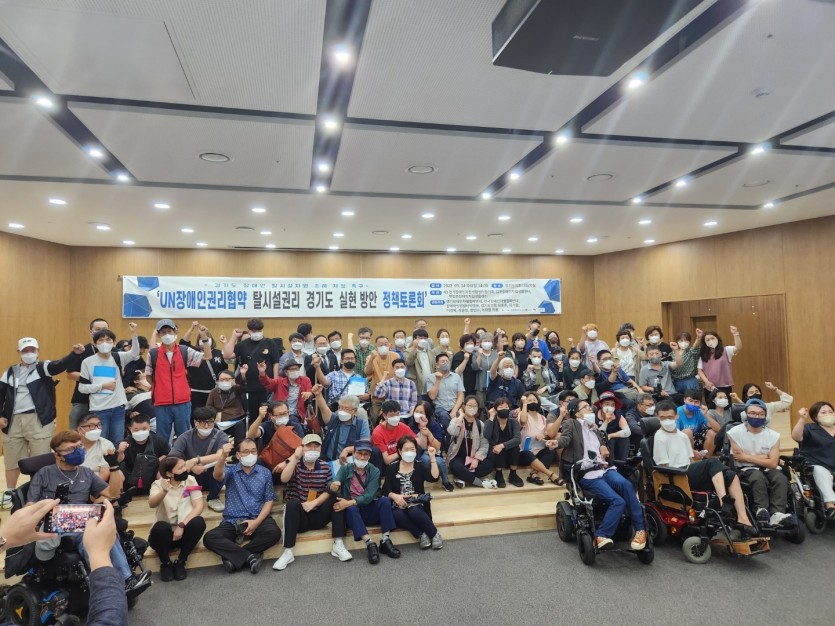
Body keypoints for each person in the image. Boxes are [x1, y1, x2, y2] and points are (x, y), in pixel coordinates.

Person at [26, 430, 150, 591]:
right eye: (71, 449)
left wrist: (113, 466)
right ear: (57, 455)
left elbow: (113, 493)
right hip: (54, 523)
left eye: (79, 447)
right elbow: (29, 507)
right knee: (92, 530)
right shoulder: (44, 473)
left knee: (104, 528)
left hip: (81, 520)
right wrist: (48, 507)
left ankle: (120, 580)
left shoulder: (86, 473)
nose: (77, 451)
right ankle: (120, 580)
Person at [553, 399, 646, 550]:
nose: (591, 408)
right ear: (577, 413)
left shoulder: (594, 427)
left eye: (590, 406)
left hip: (604, 469)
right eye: (586, 407)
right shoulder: (572, 424)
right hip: (587, 473)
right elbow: (566, 438)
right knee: (618, 501)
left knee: (626, 485)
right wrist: (556, 443)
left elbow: (601, 439)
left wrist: (603, 445)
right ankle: (602, 534)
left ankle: (640, 530)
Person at [652, 400, 755, 534]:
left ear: (677, 416)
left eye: (670, 417)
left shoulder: (683, 436)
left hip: (688, 472)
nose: (667, 420)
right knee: (711, 462)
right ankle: (723, 502)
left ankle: (743, 519)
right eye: (663, 418)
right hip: (676, 477)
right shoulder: (659, 437)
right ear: (657, 417)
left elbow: (691, 460)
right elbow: (662, 468)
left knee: (730, 475)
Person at [1, 337, 84, 489]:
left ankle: (39, 490)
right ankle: (10, 492)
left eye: (32, 350)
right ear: (19, 352)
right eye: (25, 350)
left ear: (38, 351)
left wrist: (74, 354)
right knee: (12, 459)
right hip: (13, 421)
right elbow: (1, 394)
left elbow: (59, 365)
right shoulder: (10, 372)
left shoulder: (43, 367)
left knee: (40, 459)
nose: (29, 353)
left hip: (39, 420)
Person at [203, 439, 282, 574]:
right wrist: (222, 456)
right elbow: (217, 475)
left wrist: (256, 522)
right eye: (246, 451)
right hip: (233, 520)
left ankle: (234, 558)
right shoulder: (231, 471)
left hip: (257, 518)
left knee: (274, 533)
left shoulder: (265, 473)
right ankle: (250, 557)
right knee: (210, 538)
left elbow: (269, 500)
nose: (250, 454)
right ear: (238, 455)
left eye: (253, 451)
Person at [274, 434, 351, 570]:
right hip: (300, 518)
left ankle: (338, 543)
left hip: (318, 514)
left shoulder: (325, 467)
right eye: (309, 446)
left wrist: (314, 503)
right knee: (291, 504)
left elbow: (329, 490)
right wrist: (295, 457)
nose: (313, 449)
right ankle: (288, 551)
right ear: (302, 448)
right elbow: (284, 479)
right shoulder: (296, 465)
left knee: (336, 496)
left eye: (316, 446)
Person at [328, 439, 401, 564]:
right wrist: (334, 485)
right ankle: (370, 543)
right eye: (359, 453)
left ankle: (385, 540)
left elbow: (369, 496)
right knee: (351, 508)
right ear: (354, 453)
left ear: (370, 455)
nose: (362, 457)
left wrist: (349, 502)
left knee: (384, 501)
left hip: (368, 507)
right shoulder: (345, 468)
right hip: (353, 513)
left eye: (366, 454)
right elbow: (334, 482)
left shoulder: (375, 471)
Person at [726, 398, 792, 527]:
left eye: (761, 414)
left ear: (765, 416)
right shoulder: (734, 432)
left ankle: (777, 513)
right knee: (757, 476)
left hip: (769, 469)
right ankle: (761, 510)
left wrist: (747, 456)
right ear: (745, 415)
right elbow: (738, 457)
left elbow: (773, 463)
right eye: (753, 413)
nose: (757, 416)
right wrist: (765, 457)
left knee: (780, 478)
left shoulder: (773, 435)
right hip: (746, 469)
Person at [146, 319, 212, 443]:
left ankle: (184, 456)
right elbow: (148, 376)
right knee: (162, 438)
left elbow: (207, 356)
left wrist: (204, 337)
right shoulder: (153, 354)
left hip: (182, 402)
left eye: (169, 331)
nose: (167, 335)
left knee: (184, 436)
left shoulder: (184, 350)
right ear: (159, 335)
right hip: (161, 403)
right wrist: (161, 388)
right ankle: (164, 456)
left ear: (175, 332)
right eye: (163, 332)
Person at [78, 323, 140, 444]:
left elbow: (135, 353)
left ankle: (116, 458)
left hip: (118, 408)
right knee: (100, 442)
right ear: (95, 344)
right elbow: (82, 388)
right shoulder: (87, 362)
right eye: (101, 340)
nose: (104, 343)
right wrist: (102, 386)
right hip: (99, 409)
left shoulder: (118, 357)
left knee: (117, 442)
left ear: (114, 343)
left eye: (108, 340)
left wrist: (134, 334)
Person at [147, 456, 207, 581]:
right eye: (180, 468)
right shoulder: (158, 484)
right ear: (169, 473)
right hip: (164, 537)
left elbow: (198, 507)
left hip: (184, 532)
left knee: (198, 522)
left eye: (184, 465)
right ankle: (165, 563)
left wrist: (182, 525)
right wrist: (164, 491)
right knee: (160, 528)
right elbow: (151, 504)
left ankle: (181, 561)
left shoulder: (191, 481)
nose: (185, 469)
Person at [383, 435, 443, 549]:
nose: (409, 452)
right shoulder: (391, 468)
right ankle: (421, 534)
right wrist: (395, 497)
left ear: (416, 450)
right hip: (400, 503)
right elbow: (385, 490)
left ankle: (434, 534)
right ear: (400, 451)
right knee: (396, 514)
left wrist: (432, 458)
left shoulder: (420, 465)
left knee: (413, 510)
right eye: (406, 449)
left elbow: (434, 478)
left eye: (412, 449)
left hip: (417, 503)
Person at [169, 406, 230, 512]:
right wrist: (192, 467)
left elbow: (220, 455)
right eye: (202, 422)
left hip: (210, 471)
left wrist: (196, 460)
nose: (206, 426)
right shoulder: (185, 437)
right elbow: (172, 456)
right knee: (177, 469)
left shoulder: (221, 435)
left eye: (210, 422)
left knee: (219, 467)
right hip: (192, 473)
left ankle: (213, 497)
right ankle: (187, 495)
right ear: (195, 422)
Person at [223, 319, 280, 420]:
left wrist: (275, 381)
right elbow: (227, 355)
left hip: (266, 386)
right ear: (249, 331)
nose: (257, 333)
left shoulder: (270, 342)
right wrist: (234, 336)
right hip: (249, 387)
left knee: (268, 415)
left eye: (259, 331)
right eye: (254, 331)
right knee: (252, 416)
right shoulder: (243, 344)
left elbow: (276, 362)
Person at [792, 402, 835, 519]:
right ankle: (830, 506)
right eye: (823, 412)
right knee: (821, 472)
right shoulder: (810, 428)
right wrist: (802, 419)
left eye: (831, 412)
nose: (828, 414)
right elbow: (796, 437)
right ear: (815, 417)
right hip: (817, 463)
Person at [66, 318, 110, 430]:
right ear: (91, 332)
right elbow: (70, 374)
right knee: (76, 430)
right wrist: (92, 377)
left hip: (106, 400)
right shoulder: (82, 351)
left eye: (105, 329)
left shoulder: (114, 352)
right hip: (83, 399)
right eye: (98, 329)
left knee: (102, 432)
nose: (101, 332)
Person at [446, 396, 496, 489]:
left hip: (473, 457)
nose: (472, 408)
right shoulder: (457, 420)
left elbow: (484, 444)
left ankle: (462, 477)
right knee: (455, 466)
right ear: (464, 406)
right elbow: (452, 431)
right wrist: (460, 416)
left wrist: (476, 459)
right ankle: (480, 483)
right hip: (458, 457)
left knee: (488, 465)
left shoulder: (480, 424)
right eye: (469, 405)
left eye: (474, 406)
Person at [117, 413, 170, 494]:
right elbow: (118, 461)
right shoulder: (126, 442)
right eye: (136, 430)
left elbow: (168, 454)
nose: (140, 432)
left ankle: (163, 494)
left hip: (152, 474)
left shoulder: (158, 440)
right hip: (131, 475)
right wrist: (120, 451)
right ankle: (118, 496)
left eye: (144, 429)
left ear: (149, 427)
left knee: (162, 471)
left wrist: (157, 460)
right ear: (130, 429)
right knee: (117, 472)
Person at [314, 390, 372, 464]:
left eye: (346, 409)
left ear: (355, 411)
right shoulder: (334, 419)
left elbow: (365, 444)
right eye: (341, 408)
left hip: (349, 462)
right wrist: (318, 394)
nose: (342, 411)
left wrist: (347, 450)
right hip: (328, 460)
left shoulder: (361, 424)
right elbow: (323, 408)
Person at [181, 322, 228, 409]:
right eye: (201, 337)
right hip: (196, 392)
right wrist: (192, 328)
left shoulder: (218, 353)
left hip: (214, 392)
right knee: (196, 414)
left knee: (213, 415)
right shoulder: (193, 352)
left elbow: (224, 370)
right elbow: (183, 343)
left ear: (211, 339)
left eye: (207, 337)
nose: (204, 338)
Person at [518, 392, 561, 484]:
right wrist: (524, 404)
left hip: (539, 450)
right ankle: (550, 474)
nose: (533, 402)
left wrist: (544, 436)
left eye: (534, 400)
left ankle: (534, 474)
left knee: (551, 450)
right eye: (529, 400)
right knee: (526, 453)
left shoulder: (542, 418)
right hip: (525, 453)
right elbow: (523, 420)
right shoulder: (522, 414)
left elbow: (548, 434)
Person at [410, 400, 453, 491]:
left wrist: (429, 434)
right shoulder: (411, 426)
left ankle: (446, 482)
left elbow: (437, 447)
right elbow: (422, 446)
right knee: (425, 460)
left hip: (434, 452)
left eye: (421, 412)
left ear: (427, 414)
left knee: (440, 462)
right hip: (419, 454)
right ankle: (426, 478)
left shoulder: (434, 425)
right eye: (416, 412)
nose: (418, 414)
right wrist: (422, 429)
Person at [76, 413, 123, 494]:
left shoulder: (106, 444)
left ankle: (115, 496)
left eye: (99, 425)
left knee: (119, 474)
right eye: (91, 426)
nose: (96, 429)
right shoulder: (71, 444)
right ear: (80, 429)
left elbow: (104, 474)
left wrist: (87, 486)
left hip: (97, 482)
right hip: (75, 481)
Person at [484, 397, 523, 488]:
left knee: (515, 447)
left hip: (509, 451)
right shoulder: (490, 422)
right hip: (495, 452)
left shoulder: (513, 422)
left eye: (506, 407)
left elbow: (518, 439)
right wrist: (491, 417)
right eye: (501, 407)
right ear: (495, 409)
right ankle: (498, 473)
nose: (504, 409)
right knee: (497, 448)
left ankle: (513, 474)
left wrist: (502, 445)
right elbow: (486, 435)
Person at [257, 360, 313, 424]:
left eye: (297, 369)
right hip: (280, 413)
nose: (295, 371)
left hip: (298, 414)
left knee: (292, 421)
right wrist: (262, 372)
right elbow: (268, 383)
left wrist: (309, 393)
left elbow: (310, 391)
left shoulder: (305, 380)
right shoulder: (279, 381)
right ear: (286, 372)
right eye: (292, 369)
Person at [205, 366, 249, 445]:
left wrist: (243, 375)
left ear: (233, 380)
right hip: (219, 421)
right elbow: (208, 407)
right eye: (221, 380)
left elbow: (245, 388)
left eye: (227, 379)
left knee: (240, 426)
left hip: (235, 420)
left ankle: (238, 449)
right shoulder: (214, 391)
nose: (224, 382)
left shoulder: (236, 389)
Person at [697, 326, 741, 398]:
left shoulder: (726, 350)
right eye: (707, 340)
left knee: (725, 404)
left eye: (712, 338)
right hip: (709, 386)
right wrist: (706, 382)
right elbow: (699, 370)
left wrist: (736, 334)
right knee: (711, 404)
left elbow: (738, 348)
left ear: (717, 338)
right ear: (705, 342)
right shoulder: (702, 354)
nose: (710, 341)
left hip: (724, 386)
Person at [371, 400, 415, 469]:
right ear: (384, 416)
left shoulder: (402, 426)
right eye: (391, 415)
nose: (395, 417)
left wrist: (423, 427)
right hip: (385, 464)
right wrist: (402, 451)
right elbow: (386, 460)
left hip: (400, 459)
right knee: (375, 451)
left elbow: (419, 442)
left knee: (416, 447)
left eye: (397, 414)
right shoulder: (378, 432)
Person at [425, 353, 464, 429]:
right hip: (440, 408)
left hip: (455, 407)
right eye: (443, 361)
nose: (445, 363)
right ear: (437, 365)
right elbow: (432, 396)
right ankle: (449, 435)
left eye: (447, 361)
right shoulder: (430, 377)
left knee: (460, 416)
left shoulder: (456, 376)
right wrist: (438, 380)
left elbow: (460, 395)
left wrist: (454, 410)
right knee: (444, 416)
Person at [676, 389, 720, 454]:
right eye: (690, 400)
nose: (693, 404)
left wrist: (706, 414)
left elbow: (718, 429)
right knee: (688, 432)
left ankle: (705, 458)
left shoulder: (700, 411)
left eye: (696, 402)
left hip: (696, 440)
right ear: (684, 400)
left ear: (700, 404)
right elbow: (675, 434)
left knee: (712, 433)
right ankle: (691, 458)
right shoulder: (677, 412)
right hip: (681, 441)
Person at [365, 335, 397, 423]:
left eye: (385, 344)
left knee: (392, 416)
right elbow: (367, 373)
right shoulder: (370, 357)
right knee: (375, 417)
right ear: (376, 346)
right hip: (376, 393)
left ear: (389, 345)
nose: (383, 346)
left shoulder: (395, 356)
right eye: (380, 344)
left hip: (392, 392)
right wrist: (372, 358)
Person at [593, 391, 632, 462]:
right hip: (600, 442)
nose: (610, 407)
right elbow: (599, 434)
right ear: (601, 405)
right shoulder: (594, 416)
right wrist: (606, 421)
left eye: (612, 405)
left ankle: (624, 463)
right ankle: (611, 464)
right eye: (607, 404)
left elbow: (627, 432)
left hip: (615, 440)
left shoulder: (618, 416)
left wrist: (611, 435)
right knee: (610, 441)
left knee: (625, 440)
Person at [471, 332, 499, 408]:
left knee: (494, 406)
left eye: (489, 341)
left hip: (494, 385)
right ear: (480, 342)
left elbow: (498, 368)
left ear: (492, 342)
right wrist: (480, 355)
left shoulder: (495, 354)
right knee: (481, 407)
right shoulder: (476, 354)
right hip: (481, 385)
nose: (487, 343)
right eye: (485, 341)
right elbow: (475, 367)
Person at [405, 329, 434, 396]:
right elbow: (408, 362)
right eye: (420, 338)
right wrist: (414, 347)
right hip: (417, 387)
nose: (423, 340)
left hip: (430, 387)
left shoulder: (431, 352)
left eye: (425, 338)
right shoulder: (408, 351)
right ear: (414, 339)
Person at [451, 334, 479, 399]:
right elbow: (457, 372)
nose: (470, 345)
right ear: (462, 344)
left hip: (474, 387)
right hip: (463, 387)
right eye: (467, 343)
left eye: (471, 343)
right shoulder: (458, 355)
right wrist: (465, 360)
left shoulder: (474, 355)